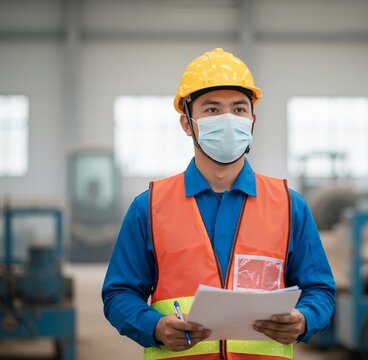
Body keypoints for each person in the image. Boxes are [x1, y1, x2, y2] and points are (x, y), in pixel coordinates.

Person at [102, 48, 336, 360]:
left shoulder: (289, 206)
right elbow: (119, 293)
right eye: (212, 110)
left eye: (239, 109)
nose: (228, 119)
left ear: (252, 120)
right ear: (187, 123)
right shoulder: (150, 207)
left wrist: (304, 319)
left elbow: (320, 290)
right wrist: (155, 327)